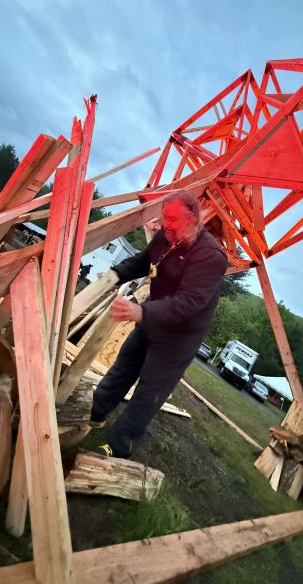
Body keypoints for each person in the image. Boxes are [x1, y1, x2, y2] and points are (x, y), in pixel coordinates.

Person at [89, 190, 228, 458]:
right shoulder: (166, 237)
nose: (166, 224)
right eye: (165, 217)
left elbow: (189, 301)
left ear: (192, 219)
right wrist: (115, 274)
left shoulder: (211, 256)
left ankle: (119, 446)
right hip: (153, 317)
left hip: (180, 336)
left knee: (150, 389)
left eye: (173, 219)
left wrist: (141, 312)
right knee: (124, 365)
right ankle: (95, 412)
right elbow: (143, 262)